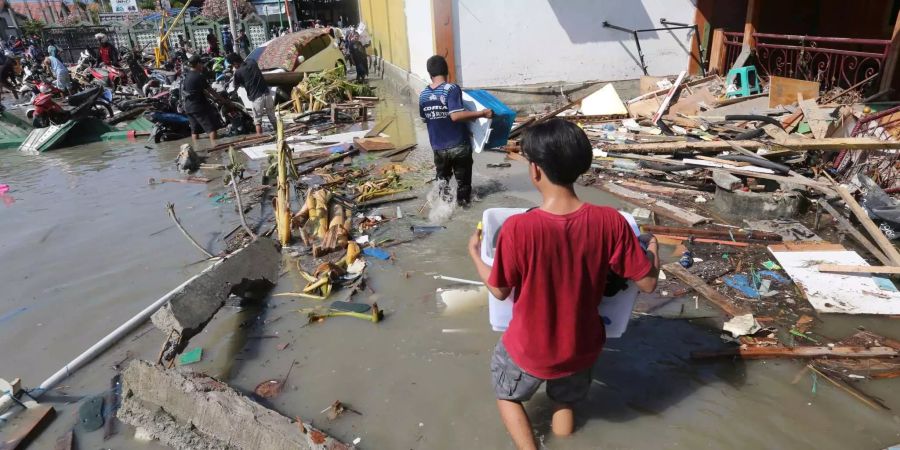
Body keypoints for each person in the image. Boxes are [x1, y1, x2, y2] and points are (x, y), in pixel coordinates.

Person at [466, 119, 660, 450]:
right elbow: (647, 283)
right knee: (564, 402)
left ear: (536, 171)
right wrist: (652, 245)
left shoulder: (518, 229)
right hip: (581, 348)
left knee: (507, 396)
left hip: (529, 349)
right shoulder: (610, 222)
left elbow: (499, 290)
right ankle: (566, 442)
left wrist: (474, 253)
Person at [418, 55, 491, 206]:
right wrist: (482, 113)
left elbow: (426, 119)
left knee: (442, 182)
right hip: (458, 146)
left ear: (429, 74)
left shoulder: (423, 95)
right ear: (446, 71)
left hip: (438, 148)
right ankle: (464, 208)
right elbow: (456, 116)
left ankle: (442, 211)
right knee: (463, 185)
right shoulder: (451, 88)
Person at [182, 54, 229, 148]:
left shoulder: (187, 76)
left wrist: (214, 99)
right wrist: (223, 100)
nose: (203, 66)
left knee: (195, 131)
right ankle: (216, 150)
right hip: (198, 107)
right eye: (202, 64)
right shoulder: (199, 76)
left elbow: (202, 91)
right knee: (212, 129)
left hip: (188, 107)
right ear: (198, 64)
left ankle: (197, 149)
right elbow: (210, 90)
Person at [226, 52, 275, 135]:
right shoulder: (252, 61)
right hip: (267, 93)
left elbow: (235, 85)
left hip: (256, 98)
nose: (233, 66)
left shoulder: (238, 72)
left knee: (257, 122)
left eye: (233, 65)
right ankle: (279, 134)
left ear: (234, 63)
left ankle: (260, 139)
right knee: (273, 118)